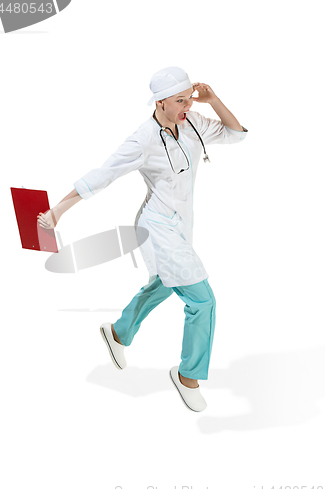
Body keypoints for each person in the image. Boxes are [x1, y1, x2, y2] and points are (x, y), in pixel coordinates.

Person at [37, 67, 248, 412]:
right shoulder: (143, 139)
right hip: (157, 227)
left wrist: (214, 100)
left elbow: (236, 134)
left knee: (165, 284)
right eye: (180, 100)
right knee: (202, 300)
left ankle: (118, 333)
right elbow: (102, 175)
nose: (187, 104)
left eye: (189, 98)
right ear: (160, 102)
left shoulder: (192, 123)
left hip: (181, 227)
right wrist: (59, 210)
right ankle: (188, 376)